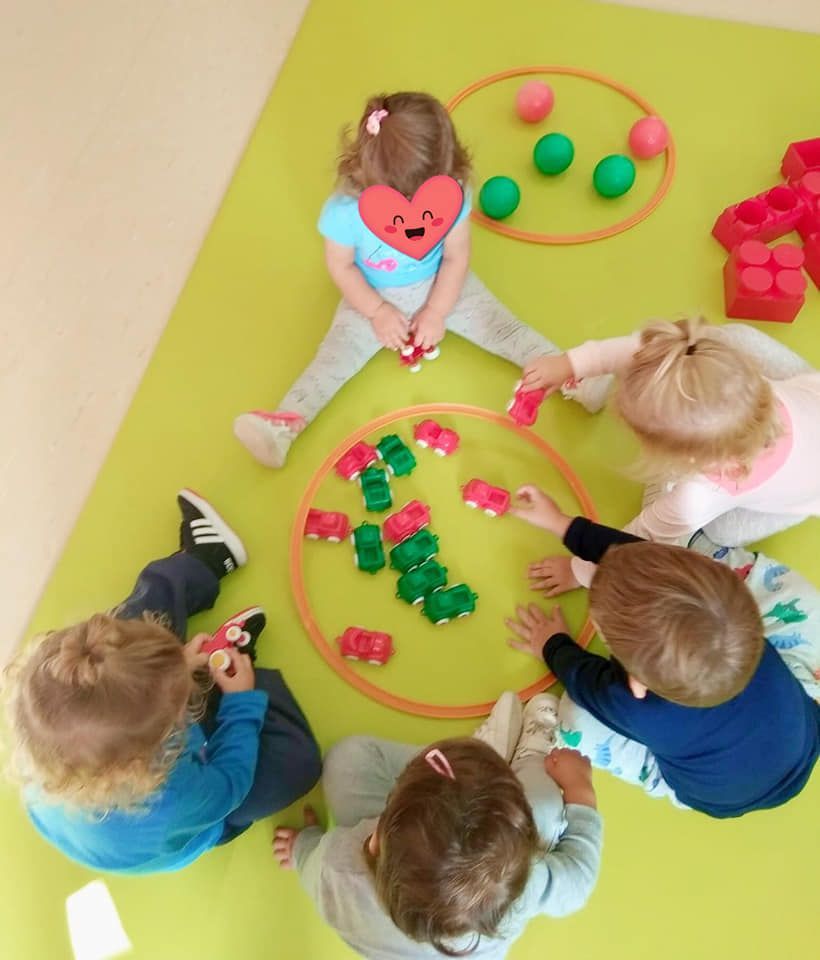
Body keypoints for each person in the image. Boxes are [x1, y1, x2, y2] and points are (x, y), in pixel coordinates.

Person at [233, 90, 608, 468]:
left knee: (503, 329)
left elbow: (456, 256)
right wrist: (377, 311)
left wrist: (437, 311)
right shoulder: (345, 211)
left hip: (444, 283)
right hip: (372, 294)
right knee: (334, 359)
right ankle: (285, 424)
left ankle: (574, 375)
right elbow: (341, 267)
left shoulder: (453, 191)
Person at [4, 489, 322, 873]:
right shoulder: (176, 799)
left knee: (132, 625)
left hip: (132, 750)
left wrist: (170, 666)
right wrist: (242, 702)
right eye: (179, 696)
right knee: (297, 765)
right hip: (197, 817)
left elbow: (115, 665)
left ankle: (207, 559)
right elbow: (231, 782)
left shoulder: (48, 742)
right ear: (151, 753)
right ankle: (237, 677)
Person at [505, 485, 819, 817]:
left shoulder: (641, 711)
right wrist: (563, 524)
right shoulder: (745, 638)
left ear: (637, 684)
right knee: (694, 576)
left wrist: (552, 644)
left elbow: (587, 680)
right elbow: (648, 564)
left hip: (719, 792)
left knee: (575, 718)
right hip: (802, 732)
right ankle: (700, 561)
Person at [273, 692, 602, 958]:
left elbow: (311, 865)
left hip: (398, 852)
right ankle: (527, 760)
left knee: (347, 759)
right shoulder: (516, 885)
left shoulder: (341, 865)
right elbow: (577, 881)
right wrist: (580, 791)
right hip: (468, 847)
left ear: (376, 839)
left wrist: (302, 845)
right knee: (543, 805)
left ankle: (479, 764)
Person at [519, 317, 820, 592]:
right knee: (735, 338)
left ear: (677, 457)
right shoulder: (715, 366)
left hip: (808, 492)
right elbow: (655, 353)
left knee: (720, 533)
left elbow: (634, 544)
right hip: (810, 402)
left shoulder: (695, 498)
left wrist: (579, 572)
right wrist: (570, 364)